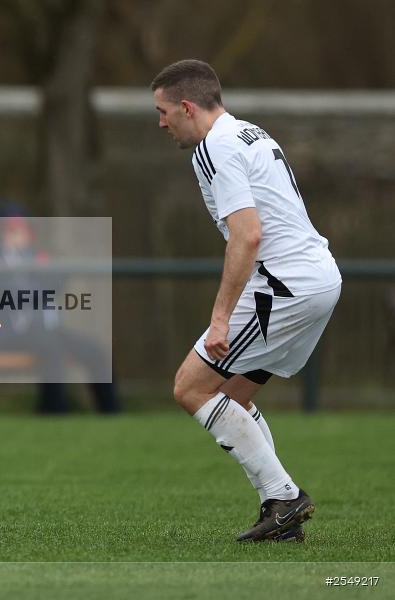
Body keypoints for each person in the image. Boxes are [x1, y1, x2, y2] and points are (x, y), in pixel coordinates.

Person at [151, 59, 341, 542]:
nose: (161, 122)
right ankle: (279, 511)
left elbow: (247, 235)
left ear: (187, 107)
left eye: (163, 111)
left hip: (285, 285)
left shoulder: (213, 147)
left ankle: (285, 497)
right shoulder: (250, 132)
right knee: (231, 397)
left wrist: (220, 319)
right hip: (318, 276)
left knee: (190, 387)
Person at [0, 204, 119, 414]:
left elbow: (59, 281)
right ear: (1, 233)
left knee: (94, 350)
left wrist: (37, 270)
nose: (18, 234)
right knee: (52, 348)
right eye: (11, 230)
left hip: (47, 331)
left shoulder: (37, 257)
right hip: (9, 334)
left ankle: (112, 413)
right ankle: (54, 411)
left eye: (22, 229)